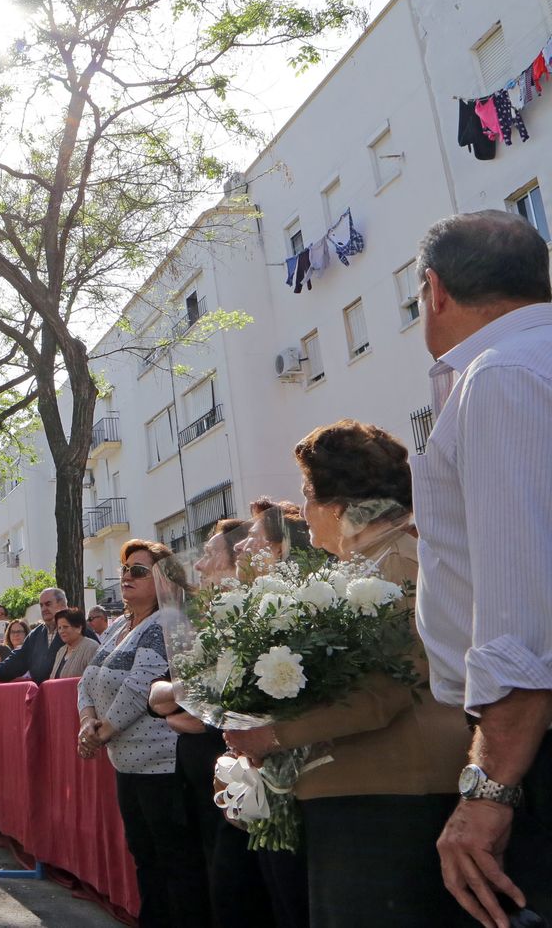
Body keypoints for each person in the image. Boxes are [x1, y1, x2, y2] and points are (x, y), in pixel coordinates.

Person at [227, 420, 472, 927]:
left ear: (337, 504)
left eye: (307, 495)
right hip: (364, 793)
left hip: (393, 794)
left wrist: (274, 734)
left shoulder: (398, 560)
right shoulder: (371, 560)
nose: (304, 514)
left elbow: (386, 689)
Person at [407, 212, 552, 928]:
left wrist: (489, 790)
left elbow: (521, 616)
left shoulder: (500, 376)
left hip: (533, 747)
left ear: (435, 290)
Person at [154, 517, 304, 928]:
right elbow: (166, 697)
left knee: (267, 899)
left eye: (209, 555)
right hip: (236, 784)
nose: (199, 566)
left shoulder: (277, 611)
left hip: (280, 784)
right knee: (232, 896)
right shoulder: (219, 620)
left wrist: (204, 716)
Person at [77, 540, 210, 928]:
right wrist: (87, 722)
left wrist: (101, 733)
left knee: (175, 860)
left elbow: (140, 686)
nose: (126, 577)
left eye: (138, 571)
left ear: (164, 578)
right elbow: (87, 680)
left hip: (163, 766)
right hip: (126, 764)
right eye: (124, 570)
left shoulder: (167, 621)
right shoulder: (120, 625)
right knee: (144, 855)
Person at [0, 587, 98, 685]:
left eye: (48, 604)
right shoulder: (36, 634)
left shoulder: (79, 630)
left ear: (62, 604)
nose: (44, 609)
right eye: (41, 605)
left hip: (76, 696)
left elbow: (97, 664)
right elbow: (19, 658)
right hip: (45, 696)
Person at [48, 608, 99, 679]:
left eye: (65, 627)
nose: (61, 631)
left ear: (79, 628)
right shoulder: (61, 651)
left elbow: (94, 679)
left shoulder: (91, 648)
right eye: (59, 628)